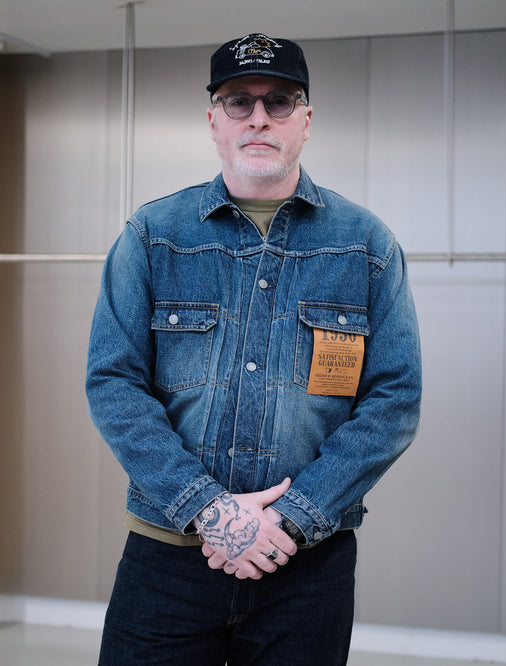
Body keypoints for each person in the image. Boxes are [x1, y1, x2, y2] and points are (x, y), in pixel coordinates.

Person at [86, 32, 422, 666]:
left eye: (280, 101)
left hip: (307, 570)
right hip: (166, 562)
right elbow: (113, 383)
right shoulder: (152, 236)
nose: (259, 117)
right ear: (214, 121)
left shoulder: (366, 245)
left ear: (306, 120)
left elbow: (393, 402)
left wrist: (291, 518)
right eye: (239, 101)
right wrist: (209, 511)